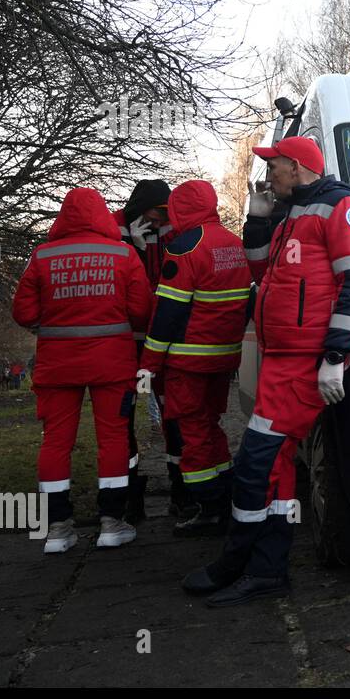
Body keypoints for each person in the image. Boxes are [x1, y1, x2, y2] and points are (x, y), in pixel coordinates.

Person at [182, 135, 350, 607]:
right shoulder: (293, 211)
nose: (269, 175)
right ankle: (266, 570)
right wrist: (256, 218)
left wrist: (334, 358)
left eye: (275, 166)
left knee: (255, 466)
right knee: (275, 468)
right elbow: (259, 269)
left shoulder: (343, 207)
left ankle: (238, 561)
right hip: (281, 359)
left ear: (298, 165)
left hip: (305, 362)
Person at [11, 188, 153, 553]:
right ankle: (112, 523)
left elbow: (24, 313)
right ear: (102, 215)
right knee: (114, 439)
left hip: (57, 365)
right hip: (113, 362)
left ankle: (58, 529)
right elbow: (142, 311)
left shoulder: (42, 255)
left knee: (56, 441)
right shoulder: (122, 254)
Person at [140, 180, 252, 537]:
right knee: (211, 425)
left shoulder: (185, 248)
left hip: (188, 360)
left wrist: (148, 364)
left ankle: (208, 508)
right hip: (224, 357)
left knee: (193, 433)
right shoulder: (236, 244)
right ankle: (225, 493)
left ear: (179, 208)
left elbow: (168, 315)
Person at [112, 179, 182, 521]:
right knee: (122, 415)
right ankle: (128, 497)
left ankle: (179, 488)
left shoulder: (169, 231)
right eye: (157, 212)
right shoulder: (114, 231)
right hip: (125, 340)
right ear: (141, 208)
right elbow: (124, 285)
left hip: (160, 338)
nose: (160, 219)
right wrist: (136, 250)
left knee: (172, 411)